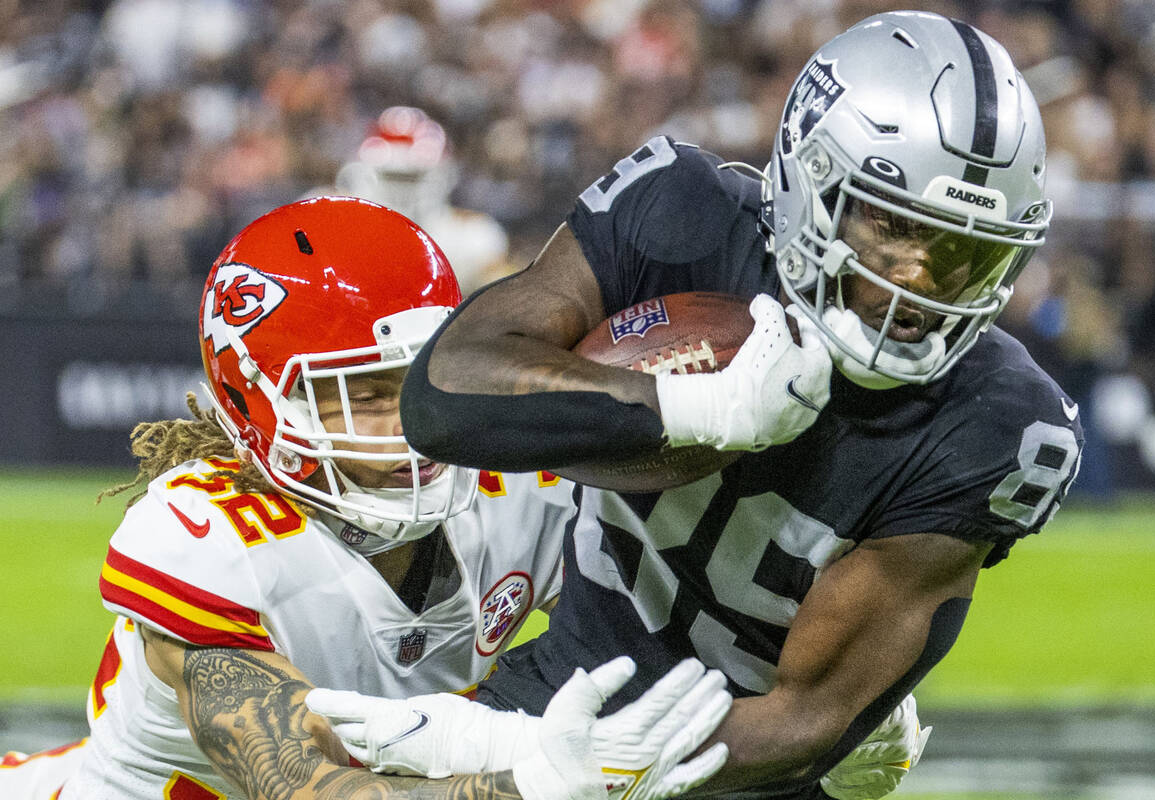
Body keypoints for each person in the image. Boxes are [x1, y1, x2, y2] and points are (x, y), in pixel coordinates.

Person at [367, 11, 1084, 799]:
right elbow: (443, 394)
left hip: (740, 772)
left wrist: (590, 765)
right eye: (891, 224)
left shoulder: (998, 422)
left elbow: (802, 722)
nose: (917, 281)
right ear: (810, 176)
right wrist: (689, 408)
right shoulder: (685, 218)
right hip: (563, 688)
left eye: (961, 252)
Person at [0, 196, 734, 800]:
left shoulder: (512, 481)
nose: (407, 427)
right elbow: (305, 785)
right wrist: (525, 782)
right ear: (252, 403)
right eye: (358, 396)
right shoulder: (212, 541)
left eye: (417, 382)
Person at [333, 106, 517, 294]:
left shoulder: (472, 236)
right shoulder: (335, 223)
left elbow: (506, 302)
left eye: (411, 178)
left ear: (443, 176)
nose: (400, 191)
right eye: (392, 177)